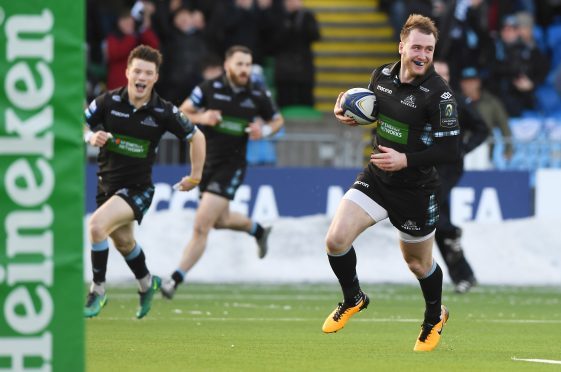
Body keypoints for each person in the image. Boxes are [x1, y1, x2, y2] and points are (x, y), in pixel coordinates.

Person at [322, 14, 460, 352]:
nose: (423, 55)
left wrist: (406, 160)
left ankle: (433, 317)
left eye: (429, 49)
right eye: (416, 47)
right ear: (401, 46)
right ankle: (353, 297)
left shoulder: (439, 96)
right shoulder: (381, 75)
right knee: (336, 240)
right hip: (377, 178)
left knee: (417, 263)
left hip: (416, 189)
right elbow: (369, 109)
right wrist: (347, 112)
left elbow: (451, 150)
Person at [83, 45, 206, 319]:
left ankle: (97, 291)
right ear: (127, 72)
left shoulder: (163, 111)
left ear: (155, 78)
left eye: (148, 73)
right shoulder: (108, 102)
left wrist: (196, 175)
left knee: (96, 226)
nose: (141, 77)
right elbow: (81, 123)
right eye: (137, 70)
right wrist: (90, 136)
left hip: (138, 188)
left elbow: (196, 136)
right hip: (107, 186)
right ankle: (147, 283)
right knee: (124, 243)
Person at [161, 45, 284, 298]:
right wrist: (204, 117)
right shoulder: (209, 88)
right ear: (228, 65)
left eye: (248, 65)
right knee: (221, 221)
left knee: (201, 225)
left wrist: (265, 131)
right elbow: (182, 110)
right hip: (207, 163)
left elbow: (277, 120)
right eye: (240, 64)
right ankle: (258, 230)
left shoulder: (258, 93)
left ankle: (174, 280)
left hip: (232, 166)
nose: (244, 70)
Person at [433, 61, 489, 294]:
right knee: (436, 225)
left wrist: (464, 148)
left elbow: (482, 129)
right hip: (426, 166)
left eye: (445, 74)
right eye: (438, 74)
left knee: (429, 211)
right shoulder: (417, 99)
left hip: (448, 167)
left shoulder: (455, 100)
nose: (442, 78)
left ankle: (453, 232)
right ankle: (464, 276)